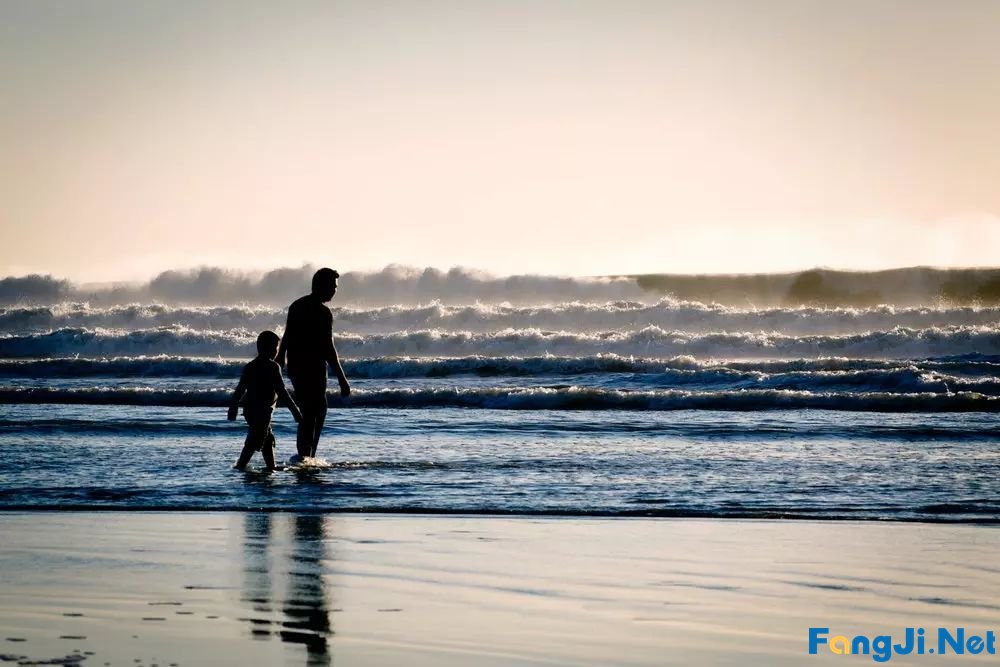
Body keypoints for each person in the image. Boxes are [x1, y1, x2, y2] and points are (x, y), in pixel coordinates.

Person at [276, 267, 351, 459]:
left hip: (295, 366)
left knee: (314, 410)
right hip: (313, 367)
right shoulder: (323, 313)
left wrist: (281, 356)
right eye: (333, 287)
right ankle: (306, 456)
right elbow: (328, 348)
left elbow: (287, 335)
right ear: (321, 285)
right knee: (312, 412)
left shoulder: (297, 305)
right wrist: (342, 379)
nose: (335, 291)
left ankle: (307, 454)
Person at [228, 330, 302, 471]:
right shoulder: (273, 367)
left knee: (267, 438)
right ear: (266, 348)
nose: (276, 351)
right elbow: (282, 392)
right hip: (263, 411)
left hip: (250, 410)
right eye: (275, 348)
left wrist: (233, 407)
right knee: (254, 440)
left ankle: (270, 466)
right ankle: (241, 466)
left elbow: (239, 390)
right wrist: (295, 411)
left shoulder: (249, 367)